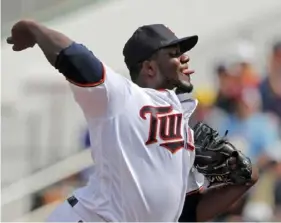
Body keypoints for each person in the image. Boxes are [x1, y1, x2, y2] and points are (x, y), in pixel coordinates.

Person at [7, 20, 258, 222]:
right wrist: (33, 29)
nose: (184, 58)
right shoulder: (122, 96)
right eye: (174, 53)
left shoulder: (185, 130)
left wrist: (245, 180)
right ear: (149, 68)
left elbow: (188, 213)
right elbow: (76, 58)